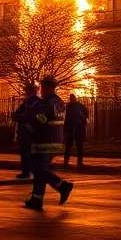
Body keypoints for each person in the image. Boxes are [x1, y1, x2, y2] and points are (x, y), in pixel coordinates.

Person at [19, 76, 74, 210]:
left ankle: (62, 186)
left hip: (43, 140)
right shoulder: (59, 102)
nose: (41, 89)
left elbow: (41, 119)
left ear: (48, 87)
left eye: (43, 87)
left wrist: (30, 118)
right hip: (55, 140)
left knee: (38, 169)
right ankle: (36, 199)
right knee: (39, 170)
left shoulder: (45, 103)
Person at [13, 82, 39, 179]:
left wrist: (21, 117)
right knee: (26, 152)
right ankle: (27, 171)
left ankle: (28, 171)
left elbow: (29, 116)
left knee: (28, 153)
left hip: (30, 131)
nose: (26, 93)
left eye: (28, 91)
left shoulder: (36, 103)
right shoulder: (25, 103)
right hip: (25, 131)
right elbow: (16, 116)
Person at [63, 93, 88, 168]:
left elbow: (67, 119)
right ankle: (75, 162)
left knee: (73, 146)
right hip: (74, 129)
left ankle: (70, 162)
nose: (71, 100)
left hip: (74, 128)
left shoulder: (70, 107)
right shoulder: (73, 107)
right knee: (73, 146)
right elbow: (85, 115)